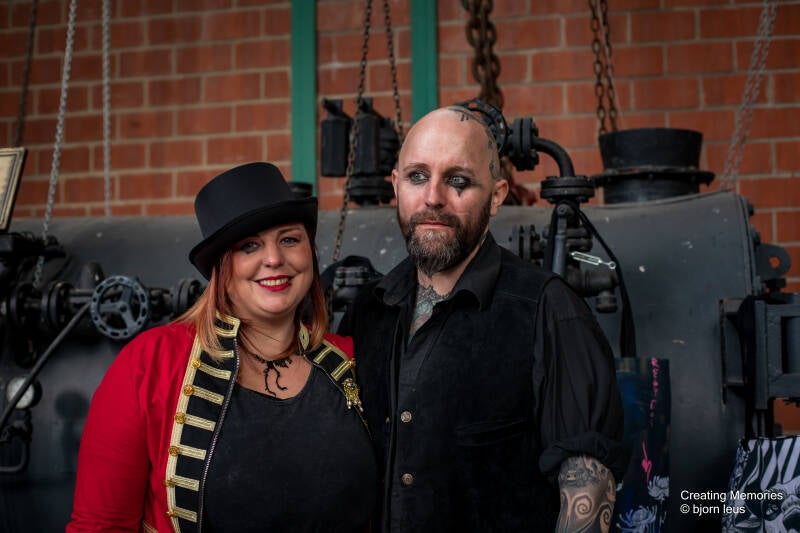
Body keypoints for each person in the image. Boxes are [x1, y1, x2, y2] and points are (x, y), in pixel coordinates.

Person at [338, 106, 628, 532]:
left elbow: (588, 485)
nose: (433, 197)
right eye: (417, 176)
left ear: (496, 196)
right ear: (396, 185)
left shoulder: (548, 309)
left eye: (458, 181)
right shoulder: (368, 311)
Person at [68, 162, 377, 532]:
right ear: (221, 269)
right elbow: (100, 525)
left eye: (289, 239)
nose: (274, 259)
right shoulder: (150, 363)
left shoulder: (348, 359)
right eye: (249, 246)